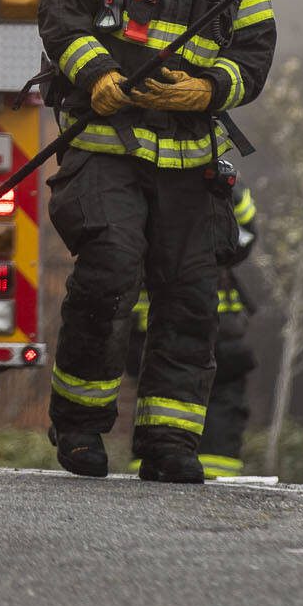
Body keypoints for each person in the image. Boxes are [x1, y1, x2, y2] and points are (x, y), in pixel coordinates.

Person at [39, 0, 278, 484]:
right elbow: (61, 8)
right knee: (111, 270)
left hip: (190, 156)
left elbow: (255, 54)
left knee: (190, 292)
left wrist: (210, 88)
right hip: (108, 142)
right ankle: (79, 425)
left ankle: (169, 440)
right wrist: (94, 75)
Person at [118, 174, 262, 479]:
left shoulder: (212, 175)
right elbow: (246, 231)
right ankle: (169, 466)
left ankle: (188, 473)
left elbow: (245, 229)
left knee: (165, 397)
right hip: (186, 323)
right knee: (176, 397)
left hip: (206, 328)